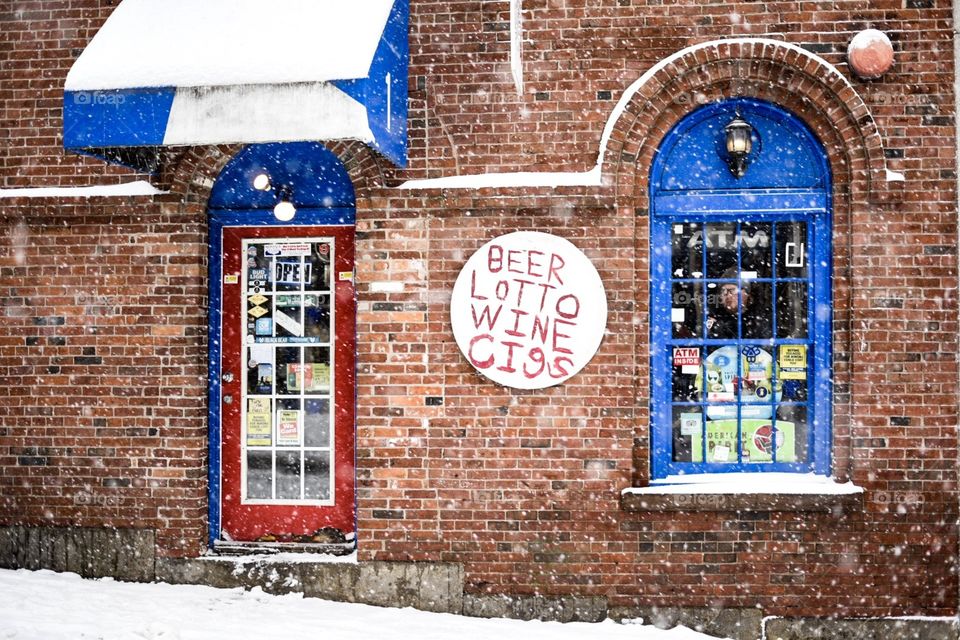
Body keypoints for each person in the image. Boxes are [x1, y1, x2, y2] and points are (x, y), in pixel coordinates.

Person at [706, 269, 769, 339]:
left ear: (746, 293)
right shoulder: (714, 321)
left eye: (732, 290)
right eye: (723, 291)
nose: (728, 295)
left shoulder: (760, 320)